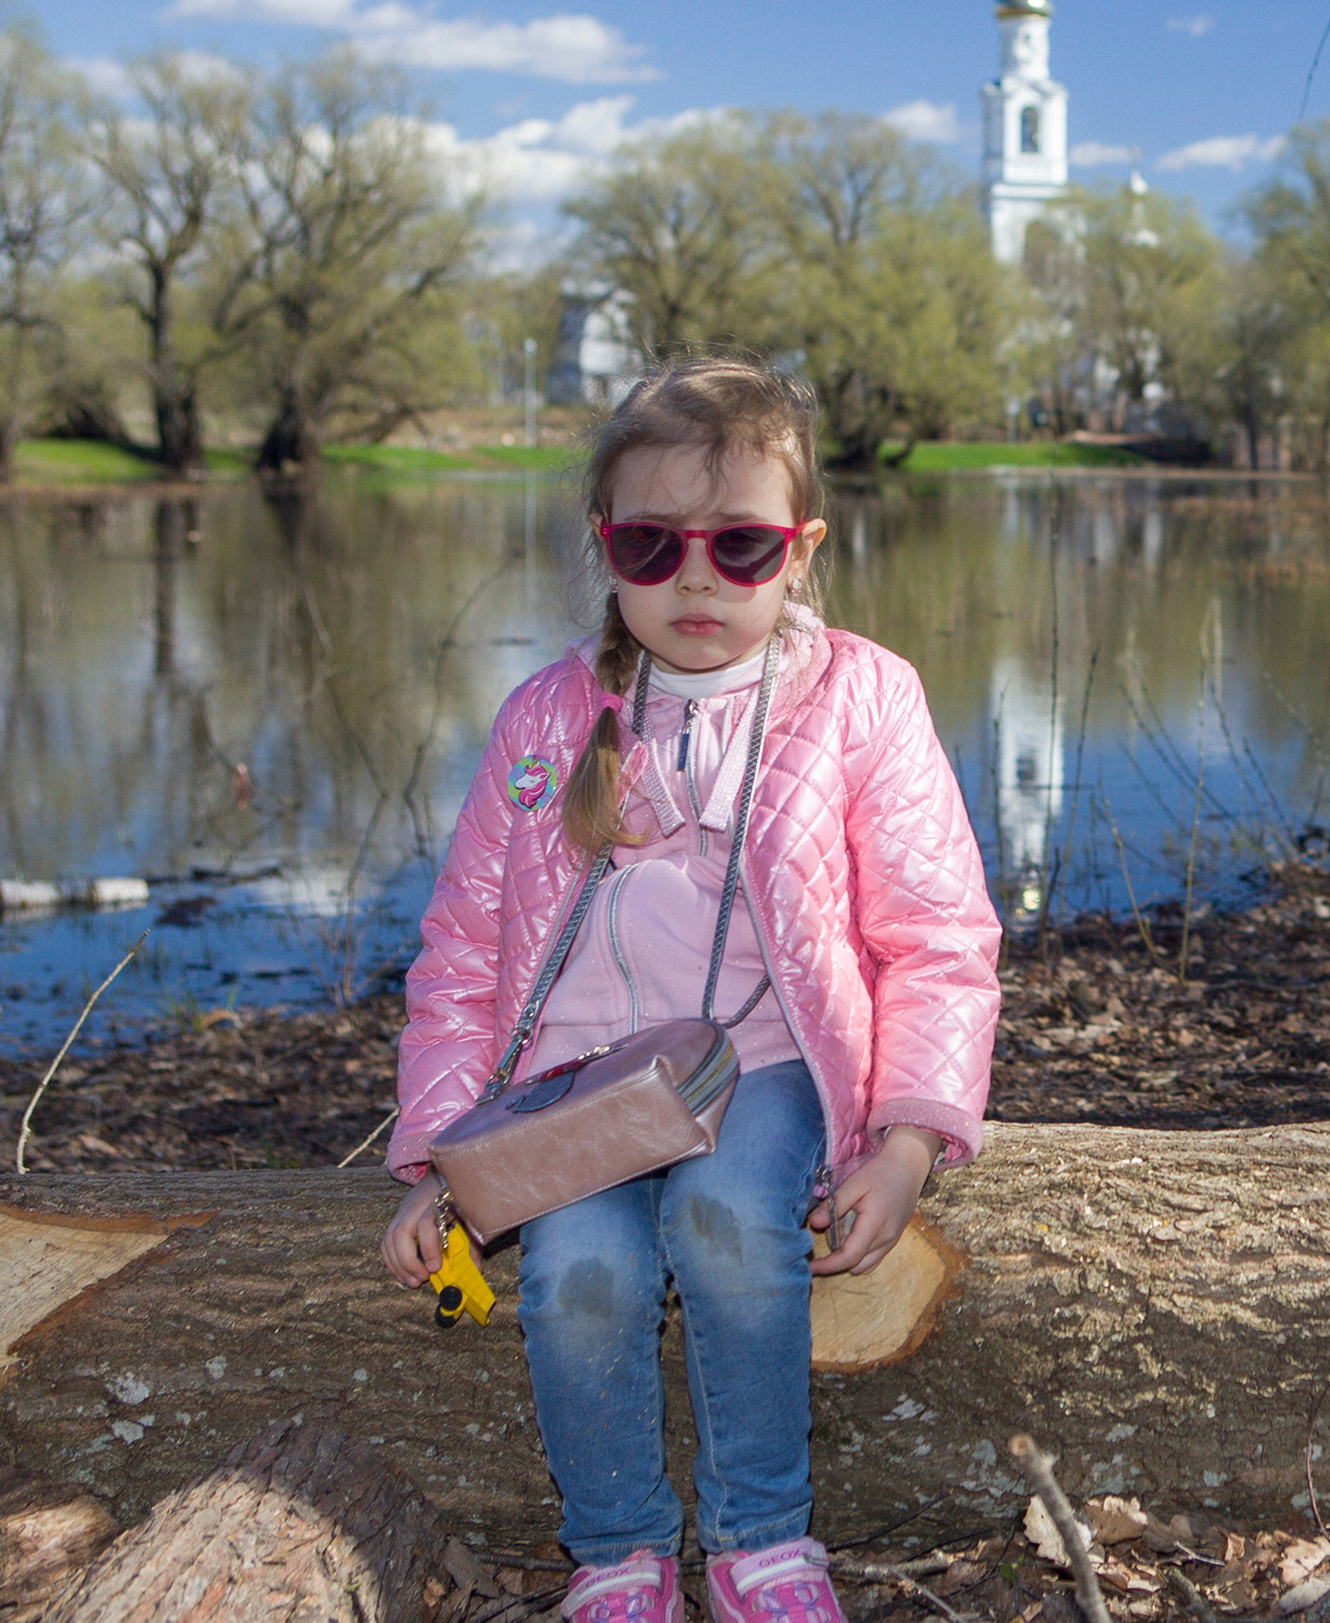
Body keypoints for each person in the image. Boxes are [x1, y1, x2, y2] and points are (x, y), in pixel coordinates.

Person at [380, 356, 999, 1623]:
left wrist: (907, 1140)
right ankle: (616, 1558)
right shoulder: (550, 719)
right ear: (605, 548)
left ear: (803, 547)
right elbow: (457, 953)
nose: (698, 579)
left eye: (743, 546)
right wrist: (441, 1160)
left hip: (767, 1065)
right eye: (654, 547)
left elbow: (934, 933)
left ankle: (763, 1542)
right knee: (585, 1275)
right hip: (574, 1094)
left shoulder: (860, 701)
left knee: (725, 1228)